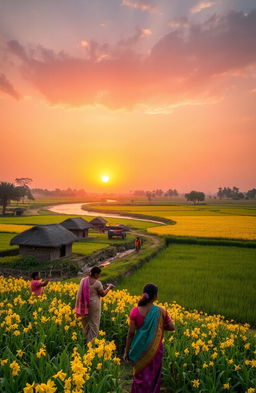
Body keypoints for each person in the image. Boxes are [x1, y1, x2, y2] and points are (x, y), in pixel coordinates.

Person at [123, 283, 175, 393]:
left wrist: (126, 352)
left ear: (143, 295)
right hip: (155, 350)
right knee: (153, 377)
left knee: (139, 377)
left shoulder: (135, 311)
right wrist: (159, 326)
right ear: (155, 296)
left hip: (138, 349)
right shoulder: (161, 311)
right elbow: (172, 327)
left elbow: (131, 334)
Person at [75, 266, 114, 343]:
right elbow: (102, 294)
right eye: (99, 274)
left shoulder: (83, 280)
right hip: (94, 305)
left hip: (84, 305)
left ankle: (85, 340)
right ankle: (91, 343)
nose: (99, 276)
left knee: (85, 323)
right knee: (94, 324)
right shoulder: (97, 283)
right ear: (95, 274)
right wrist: (109, 287)